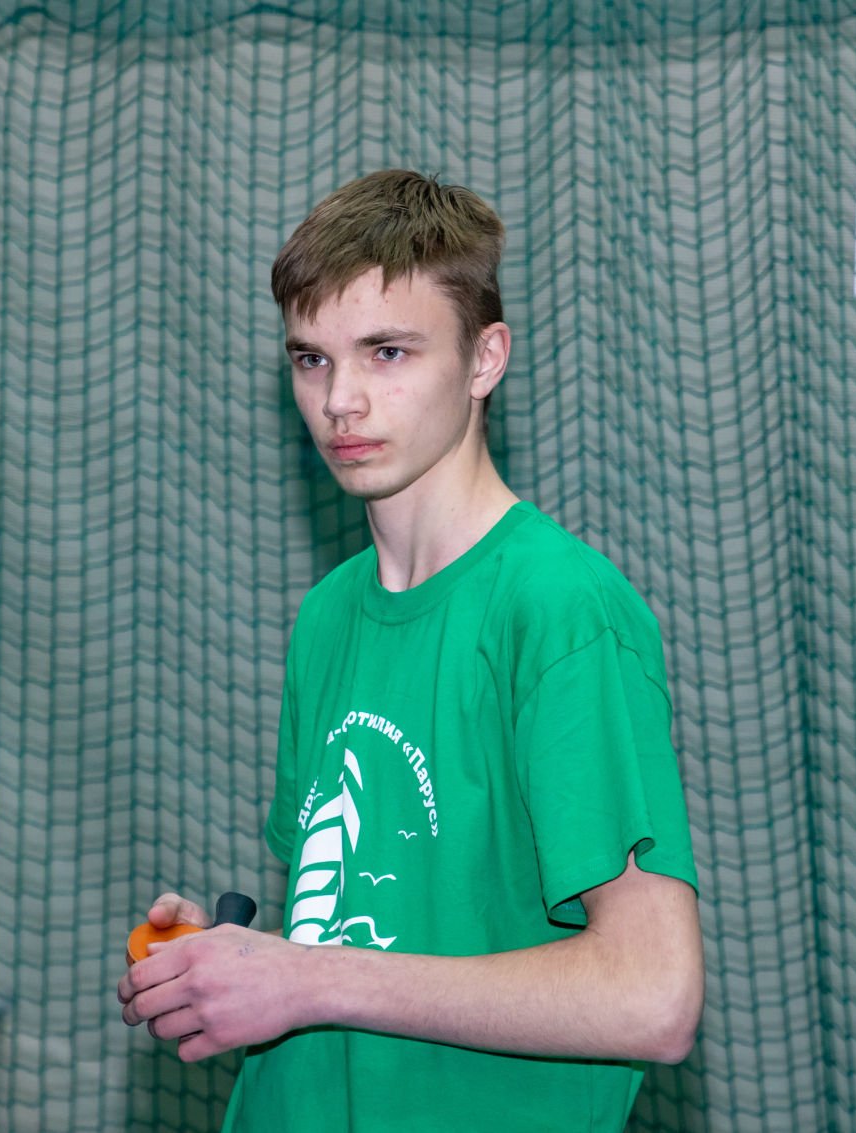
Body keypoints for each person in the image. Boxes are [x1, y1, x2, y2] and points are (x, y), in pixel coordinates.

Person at [118, 169, 703, 1131]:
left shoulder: (561, 611)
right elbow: (366, 928)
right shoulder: (328, 615)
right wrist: (230, 964)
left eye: (387, 352)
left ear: (484, 359)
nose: (341, 400)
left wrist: (310, 979)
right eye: (311, 360)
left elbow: (653, 995)